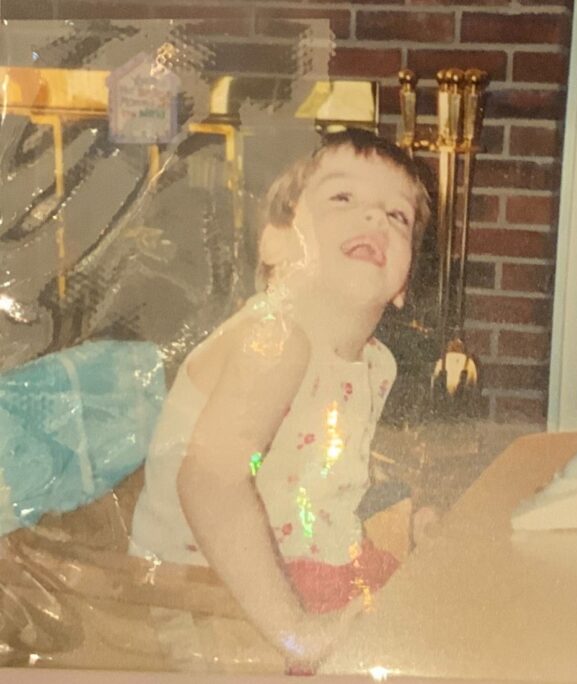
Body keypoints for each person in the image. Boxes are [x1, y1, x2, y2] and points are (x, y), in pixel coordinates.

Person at [129, 128, 432, 671]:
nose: (374, 219)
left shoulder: (375, 363)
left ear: (403, 283)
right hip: (206, 597)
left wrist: (400, 523)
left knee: (428, 610)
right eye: (343, 198)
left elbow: (315, 481)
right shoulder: (273, 339)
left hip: (297, 565)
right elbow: (210, 482)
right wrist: (296, 634)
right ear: (278, 243)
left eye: (397, 217)